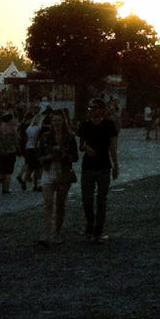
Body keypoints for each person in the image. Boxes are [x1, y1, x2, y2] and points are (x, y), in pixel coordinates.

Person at [79, 98, 119, 242]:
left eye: (95, 108)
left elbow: (113, 146)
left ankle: (98, 230)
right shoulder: (85, 125)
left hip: (103, 166)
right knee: (87, 199)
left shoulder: (109, 125)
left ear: (101, 110)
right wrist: (86, 148)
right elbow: (81, 144)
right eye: (90, 108)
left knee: (101, 200)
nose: (91, 110)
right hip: (88, 166)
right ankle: (90, 223)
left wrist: (116, 164)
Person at [38, 108, 79, 246]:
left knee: (60, 204)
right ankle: (46, 233)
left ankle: (57, 232)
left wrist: (64, 155)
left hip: (64, 172)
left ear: (64, 121)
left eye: (59, 120)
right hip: (49, 171)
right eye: (54, 120)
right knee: (48, 203)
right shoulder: (45, 137)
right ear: (51, 121)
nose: (56, 123)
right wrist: (49, 156)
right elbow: (39, 157)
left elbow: (75, 157)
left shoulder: (70, 137)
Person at [0, 112, 20, 195]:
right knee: (9, 171)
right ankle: (6, 189)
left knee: (3, 169)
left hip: (2, 151)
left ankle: (3, 187)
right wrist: (18, 148)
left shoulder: (0, 128)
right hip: (11, 151)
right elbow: (17, 139)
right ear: (10, 120)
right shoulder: (12, 129)